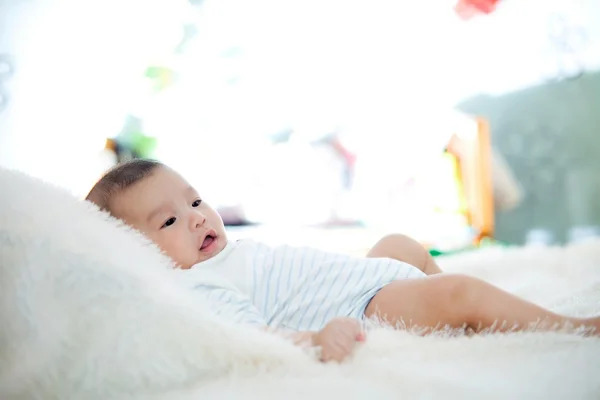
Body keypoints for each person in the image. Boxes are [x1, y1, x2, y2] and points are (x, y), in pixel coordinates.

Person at [86, 159, 600, 362]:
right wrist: (314, 340)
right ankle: (572, 326)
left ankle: (465, 327)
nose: (197, 219)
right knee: (458, 290)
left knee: (402, 243)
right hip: (366, 307)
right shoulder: (197, 290)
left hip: (366, 278)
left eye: (196, 203)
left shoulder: (216, 256)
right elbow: (248, 338)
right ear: (137, 254)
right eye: (169, 222)